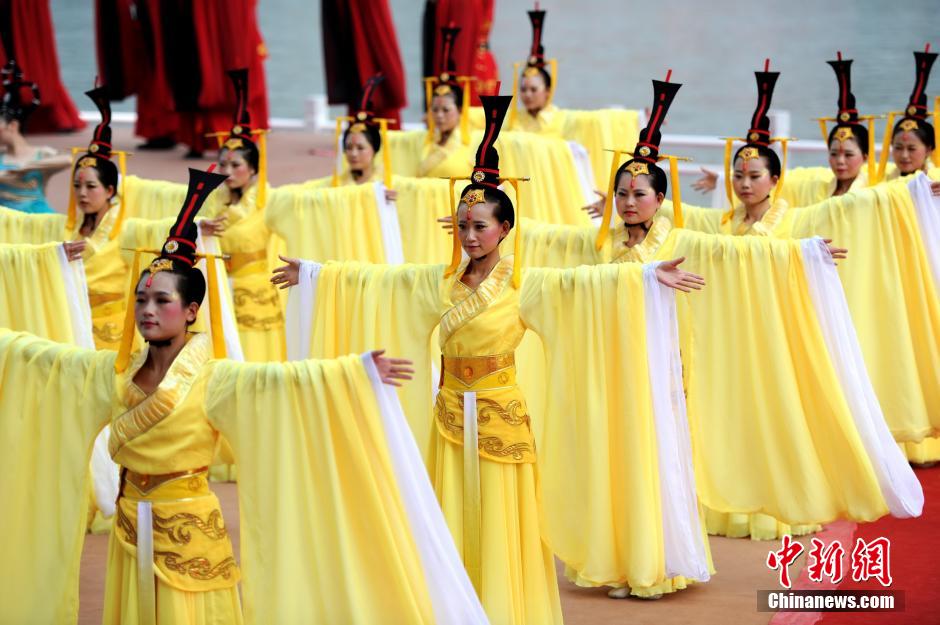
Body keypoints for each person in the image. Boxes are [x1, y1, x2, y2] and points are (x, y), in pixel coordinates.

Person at [272, 91, 712, 623]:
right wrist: (317, 274)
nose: (470, 235)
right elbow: (378, 282)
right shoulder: (442, 283)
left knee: (504, 516)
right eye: (463, 225)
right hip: (452, 412)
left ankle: (508, 608)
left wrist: (644, 275)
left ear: (505, 229)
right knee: (450, 507)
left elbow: (587, 287)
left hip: (502, 414)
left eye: (481, 226)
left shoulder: (524, 284)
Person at [0, 163, 495, 625]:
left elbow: (285, 385)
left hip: (190, 531)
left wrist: (354, 374)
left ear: (192, 310)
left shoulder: (217, 378)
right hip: (130, 530)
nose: (148, 310)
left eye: (162, 301)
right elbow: (37, 361)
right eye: (142, 299)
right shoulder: (107, 373)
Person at [0, 59, 70, 213]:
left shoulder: (41, 153)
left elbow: (69, 160)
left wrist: (25, 168)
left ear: (12, 126)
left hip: (37, 219)